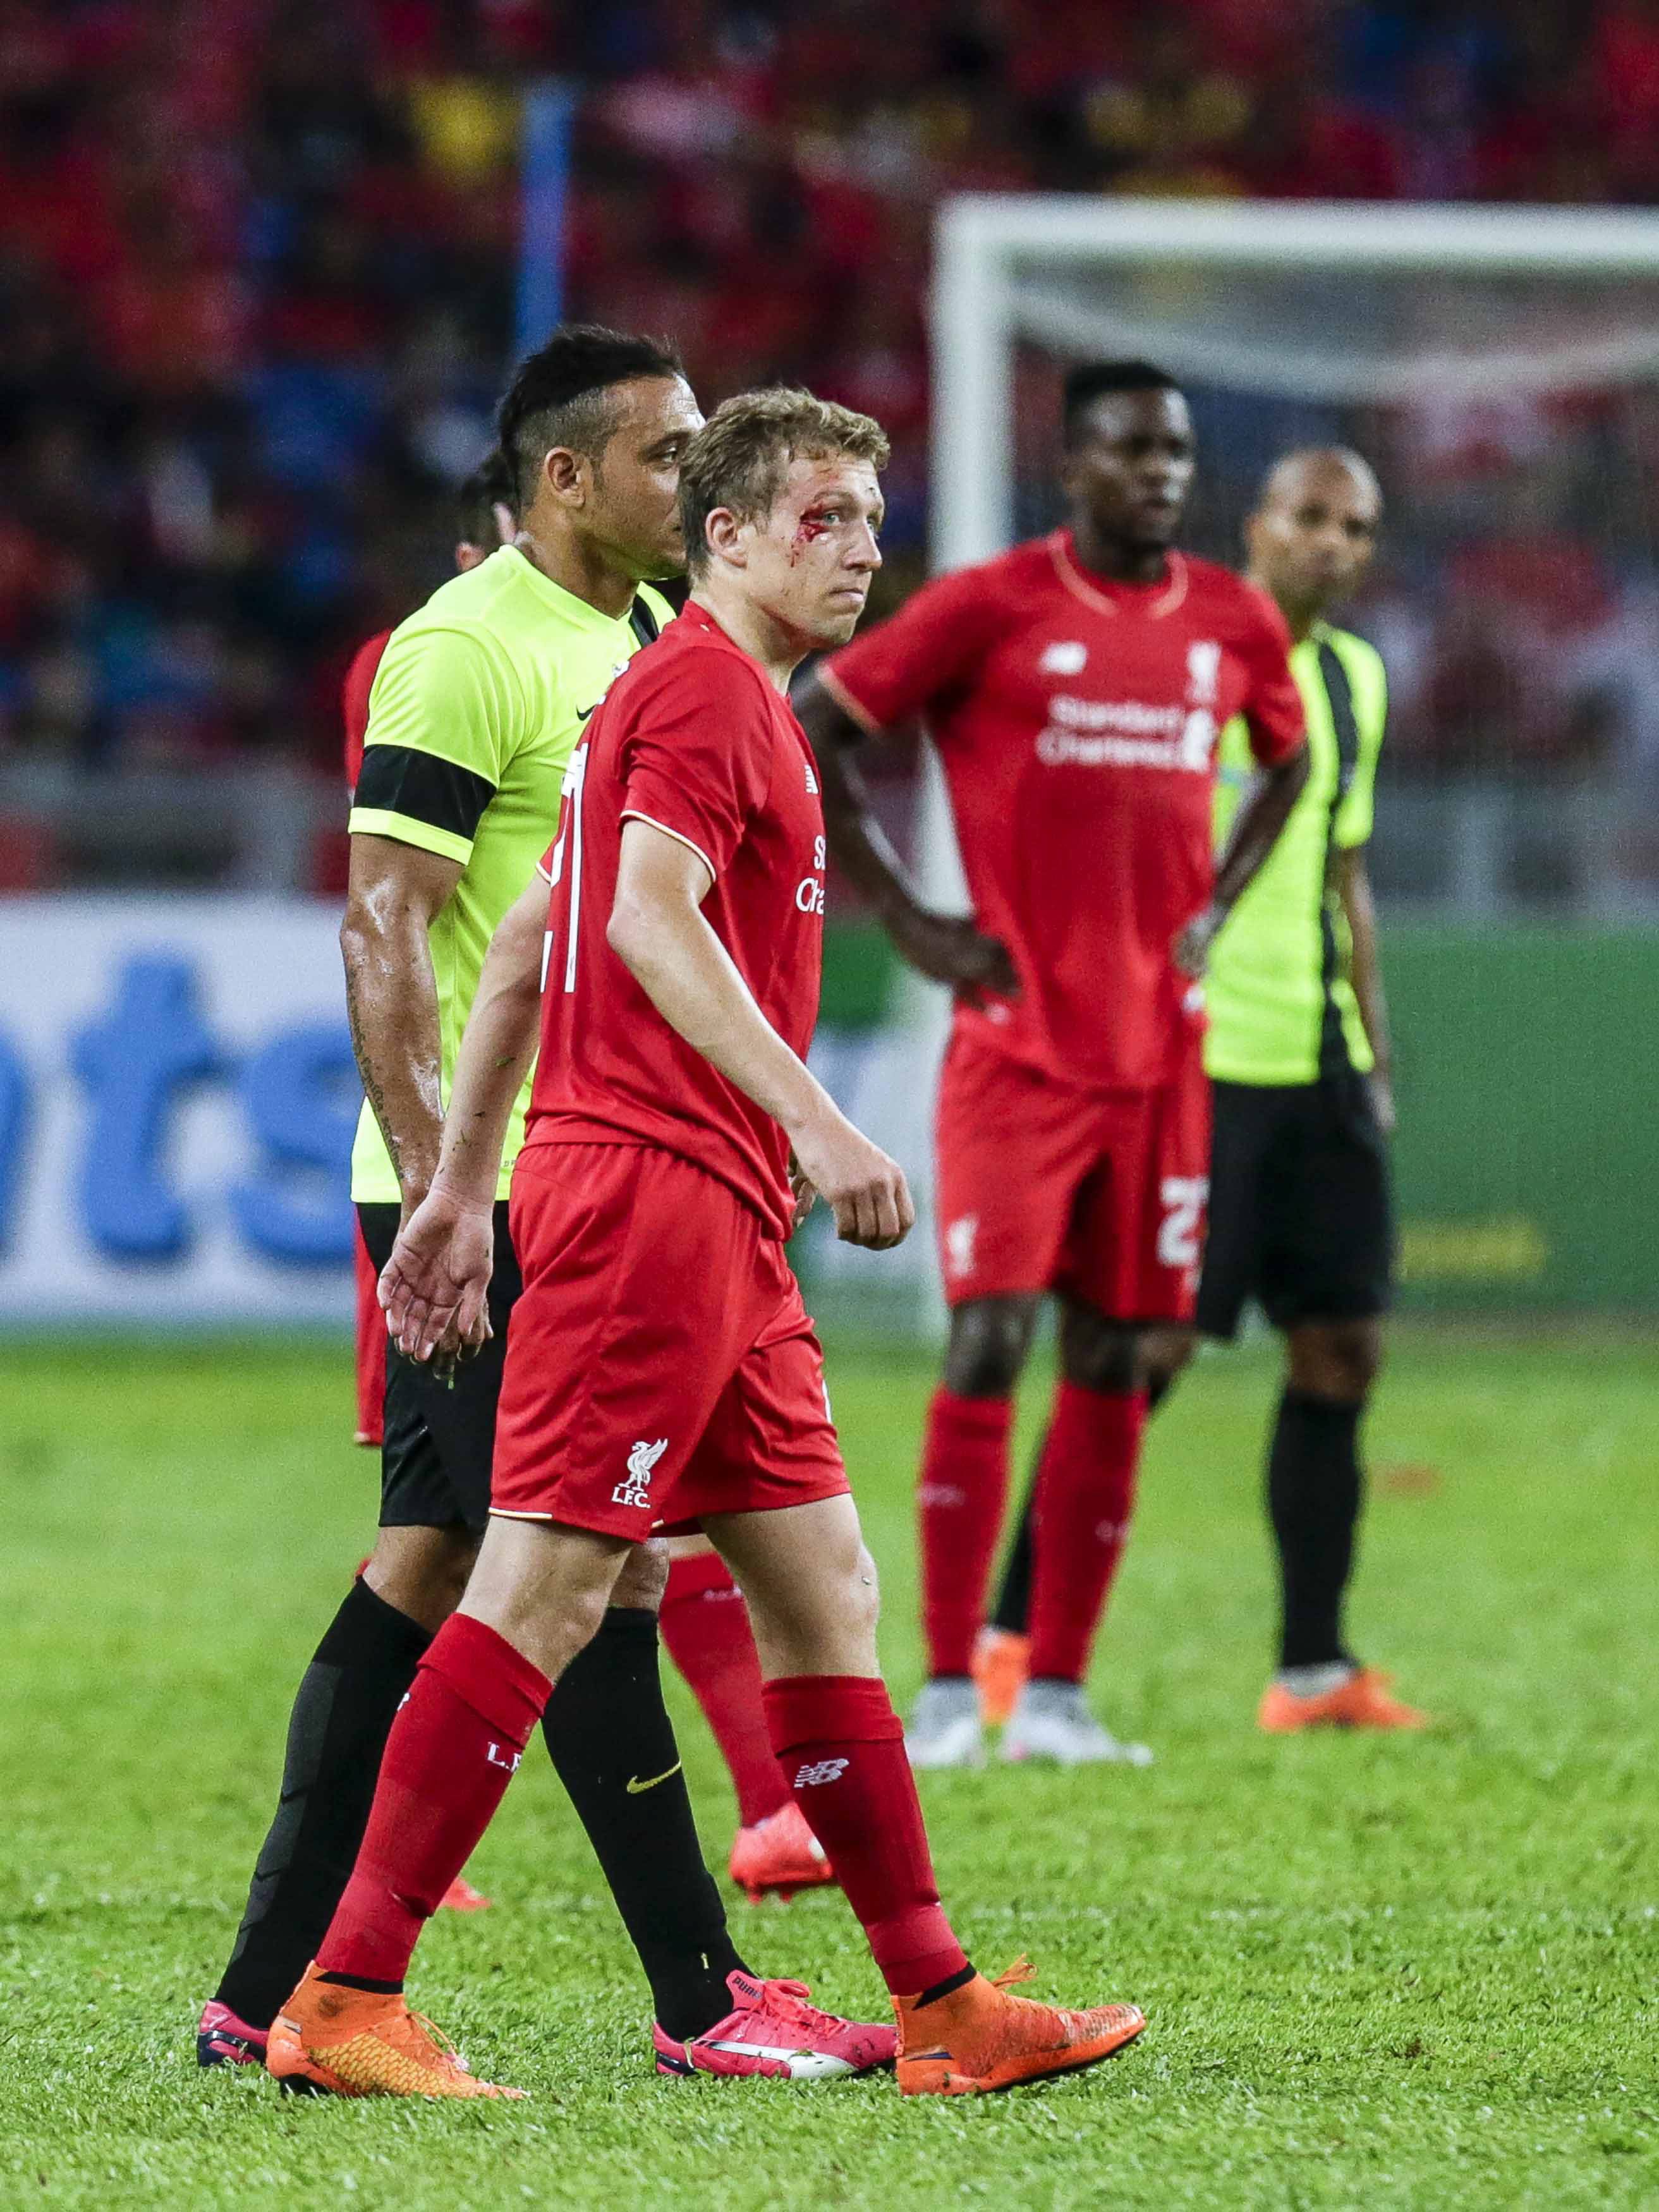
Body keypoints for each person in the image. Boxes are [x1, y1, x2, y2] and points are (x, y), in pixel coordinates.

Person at [265, 387, 1146, 2101]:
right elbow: (647, 917)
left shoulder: (685, 696)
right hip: (653, 1195)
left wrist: (455, 1186)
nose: (861, 550)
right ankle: (345, 1993)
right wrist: (820, 1119)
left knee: (824, 1586)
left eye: (873, 522)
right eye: (821, 518)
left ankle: (942, 2007)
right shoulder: (702, 699)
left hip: (710, 1214)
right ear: (725, 532)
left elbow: (531, 934)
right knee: (543, 1579)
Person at [198, 329, 844, 2084]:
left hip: (605, 1183)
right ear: (566, 478)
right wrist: (445, 1192)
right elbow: (386, 925)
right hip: (489, 1193)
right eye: (664, 458)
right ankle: (652, 1998)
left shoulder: (653, 643)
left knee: (527, 1569)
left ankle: (295, 1993)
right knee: (526, 1571)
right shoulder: (462, 646)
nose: (695, 486)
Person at [795, 361, 1309, 1770]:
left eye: (1176, 452)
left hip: (1162, 1053)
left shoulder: (1230, 618)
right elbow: (812, 723)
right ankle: (951, 1691)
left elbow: (1287, 757)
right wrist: (910, 919)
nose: (1160, 474)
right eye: (1130, 451)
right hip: (1015, 1047)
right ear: (1071, 465)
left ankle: (1061, 1695)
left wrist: (1219, 905)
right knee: (989, 1335)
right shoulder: (989, 605)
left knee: (1120, 1349)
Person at [983, 450, 1423, 1734]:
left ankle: (1310, 1670)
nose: (1333, 544)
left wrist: (1372, 1053)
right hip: (1190, 1060)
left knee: (1341, 1347)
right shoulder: (1184, 663)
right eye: (1309, 518)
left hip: (1317, 1063)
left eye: (1355, 524)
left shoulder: (1353, 677)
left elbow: (1342, 869)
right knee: (1140, 1349)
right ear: (1257, 524)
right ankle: (1010, 1641)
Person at [342, 450, 518, 1464]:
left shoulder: (648, 643)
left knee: (449, 1541)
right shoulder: (428, 656)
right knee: (554, 1533)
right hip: (468, 1146)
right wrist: (431, 1176)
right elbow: (391, 902)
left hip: (570, 1142)